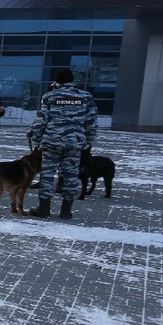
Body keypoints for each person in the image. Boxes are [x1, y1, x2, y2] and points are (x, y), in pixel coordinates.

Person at [28, 68, 99, 220]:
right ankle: (66, 211)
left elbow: (41, 121)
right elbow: (91, 122)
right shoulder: (85, 97)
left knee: (47, 175)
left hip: (51, 142)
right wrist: (87, 142)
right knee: (71, 176)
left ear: (57, 80)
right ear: (72, 79)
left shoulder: (50, 96)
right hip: (75, 143)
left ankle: (44, 208)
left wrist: (37, 141)